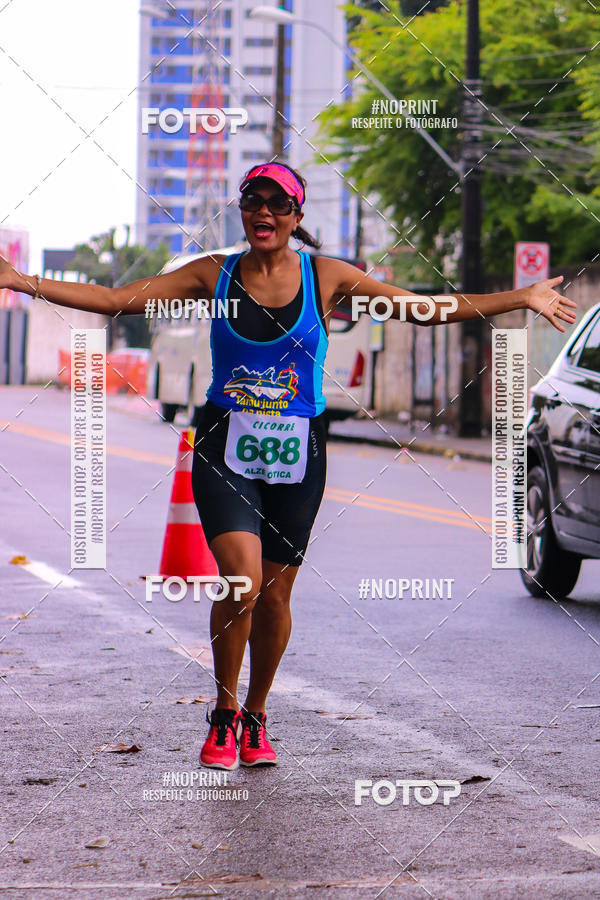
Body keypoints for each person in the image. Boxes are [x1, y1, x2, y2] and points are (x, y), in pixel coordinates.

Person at [0, 161, 577, 770]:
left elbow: (423, 307)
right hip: (226, 441)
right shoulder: (212, 274)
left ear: (297, 217)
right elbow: (117, 300)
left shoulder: (326, 276)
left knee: (274, 596)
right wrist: (21, 280)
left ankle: (256, 715)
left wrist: (520, 297)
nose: (265, 213)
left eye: (279, 204)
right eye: (254, 201)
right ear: (244, 211)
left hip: (298, 446)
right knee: (241, 579)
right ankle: (223, 715)